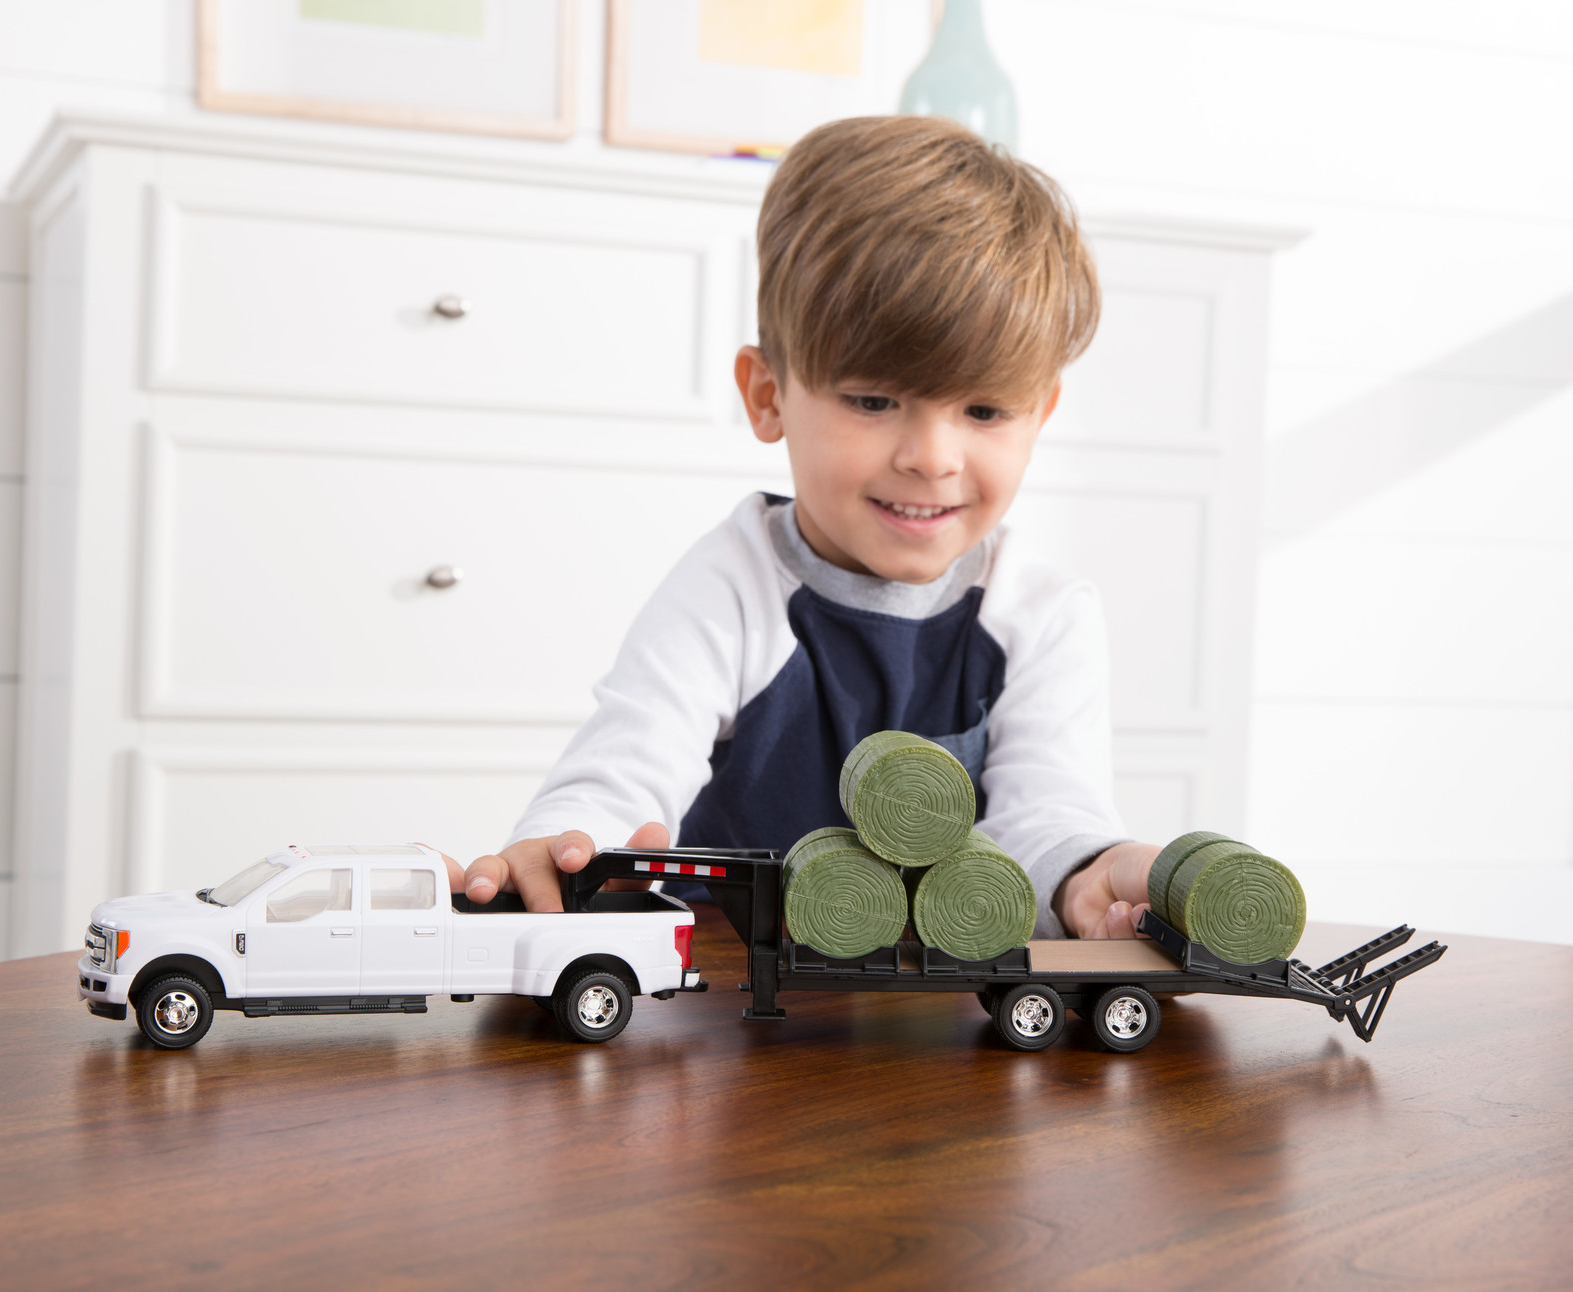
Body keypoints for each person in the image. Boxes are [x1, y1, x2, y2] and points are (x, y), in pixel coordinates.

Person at [438, 115, 1162, 940]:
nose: (932, 456)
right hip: (730, 1017)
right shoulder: (733, 585)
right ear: (768, 396)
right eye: (874, 400)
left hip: (943, 1038)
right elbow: (626, 766)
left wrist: (1085, 877)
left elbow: (1046, 819)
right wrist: (567, 849)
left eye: (985, 410)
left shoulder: (1043, 613)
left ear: (1041, 416)